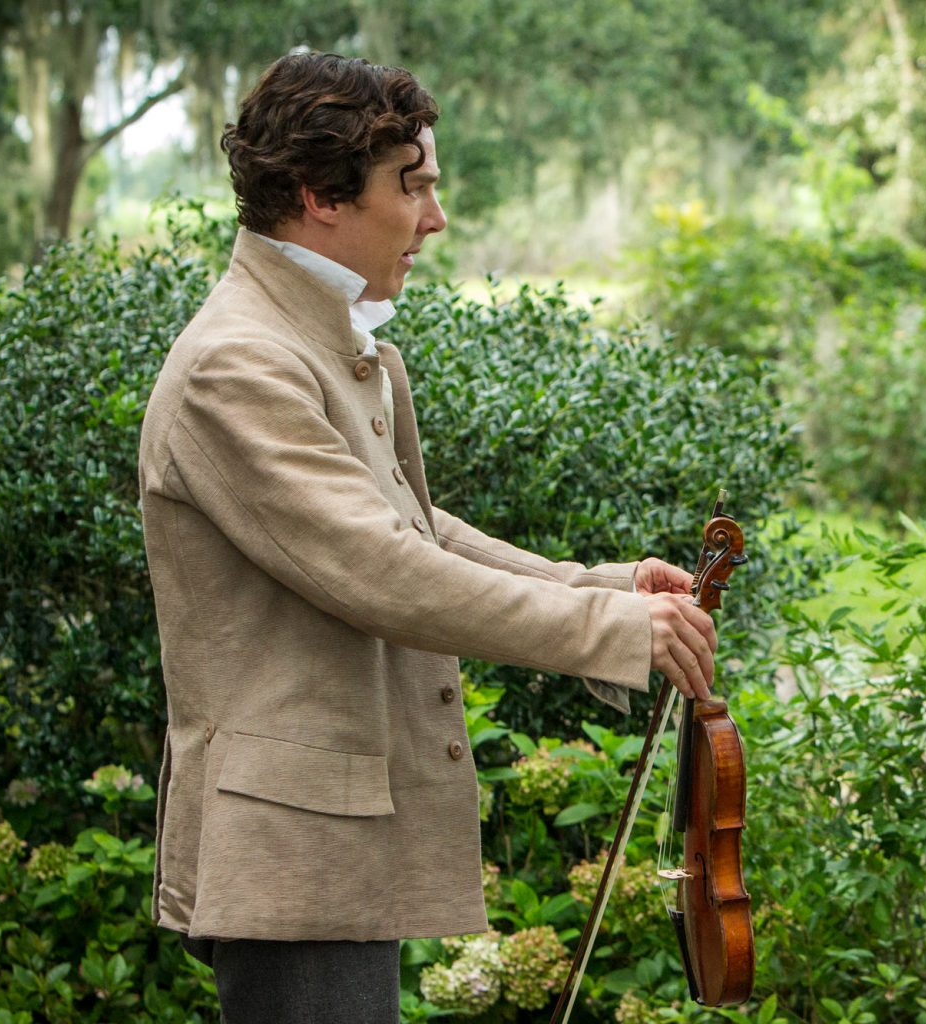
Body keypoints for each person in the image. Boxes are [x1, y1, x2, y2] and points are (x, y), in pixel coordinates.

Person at [137, 52, 718, 1023]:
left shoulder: (305, 336)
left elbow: (406, 524)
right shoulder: (238, 363)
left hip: (327, 837)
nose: (435, 219)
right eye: (412, 187)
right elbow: (380, 570)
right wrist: (610, 632)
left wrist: (599, 587)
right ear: (322, 195)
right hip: (295, 851)